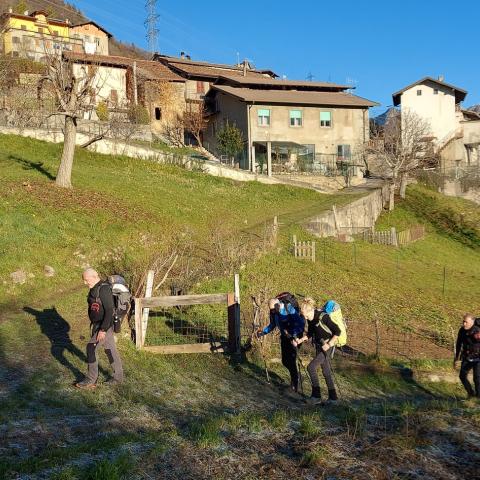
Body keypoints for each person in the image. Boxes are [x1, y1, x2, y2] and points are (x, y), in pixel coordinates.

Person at [75, 268, 124, 389]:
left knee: (91, 348)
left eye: (87, 280)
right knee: (110, 350)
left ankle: (91, 379)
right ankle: (118, 377)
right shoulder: (94, 289)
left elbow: (109, 311)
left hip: (104, 326)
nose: (85, 283)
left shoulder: (104, 289)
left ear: (94, 276)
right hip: (98, 325)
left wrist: (102, 329)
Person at [257, 297, 305, 393]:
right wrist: (263, 332)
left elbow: (300, 324)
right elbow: (272, 325)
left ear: (278, 304)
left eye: (274, 309)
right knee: (284, 361)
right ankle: (297, 376)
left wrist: (294, 335)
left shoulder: (289, 309)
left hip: (295, 337)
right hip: (285, 337)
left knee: (291, 360)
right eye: (271, 310)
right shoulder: (275, 313)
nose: (273, 312)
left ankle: (294, 385)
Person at [296, 298, 340, 403]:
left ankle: (316, 396)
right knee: (326, 371)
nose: (305, 318)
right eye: (304, 316)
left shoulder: (323, 317)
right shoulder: (311, 320)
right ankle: (333, 398)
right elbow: (310, 334)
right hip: (319, 346)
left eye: (306, 315)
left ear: (311, 310)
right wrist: (300, 340)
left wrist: (329, 344)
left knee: (311, 367)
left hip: (327, 347)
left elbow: (338, 331)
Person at [454, 313, 480, 399]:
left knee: (477, 378)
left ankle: (478, 397)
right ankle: (471, 394)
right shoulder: (462, 330)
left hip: (478, 358)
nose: (464, 324)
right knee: (462, 376)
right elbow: (458, 344)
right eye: (463, 322)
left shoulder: (477, 330)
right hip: (467, 356)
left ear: (472, 322)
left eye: (466, 322)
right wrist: (456, 358)